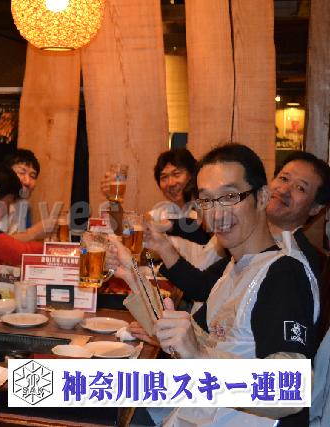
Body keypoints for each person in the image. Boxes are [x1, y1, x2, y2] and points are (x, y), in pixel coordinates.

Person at [115, 144, 315, 427]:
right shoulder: (235, 265)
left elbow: (290, 391)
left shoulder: (284, 274)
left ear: (262, 197)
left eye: (230, 197)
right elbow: (191, 336)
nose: (217, 214)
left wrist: (198, 357)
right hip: (191, 409)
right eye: (207, 200)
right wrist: (132, 275)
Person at [145, 150, 330, 303]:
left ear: (316, 207)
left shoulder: (296, 264)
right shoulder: (249, 237)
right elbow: (205, 285)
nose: (284, 190)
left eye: (300, 188)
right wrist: (165, 237)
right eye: (283, 178)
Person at [101, 148, 210, 244]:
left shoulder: (206, 207)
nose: (170, 183)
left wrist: (166, 225)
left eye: (176, 174)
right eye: (164, 177)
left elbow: (203, 232)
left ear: (193, 175)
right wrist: (113, 201)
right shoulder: (163, 211)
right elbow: (124, 231)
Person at [0, 149, 57, 241]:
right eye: (22, 173)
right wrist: (33, 232)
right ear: (6, 173)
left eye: (32, 176)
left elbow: (20, 242)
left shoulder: (23, 205)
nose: (27, 181)